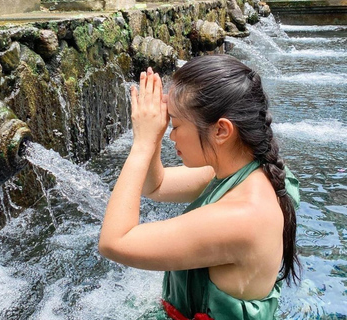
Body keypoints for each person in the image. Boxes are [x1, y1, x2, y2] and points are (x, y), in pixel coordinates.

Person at [98, 54, 300, 320]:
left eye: (177, 125)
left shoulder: (242, 217)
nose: (171, 135)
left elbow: (113, 242)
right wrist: (154, 138)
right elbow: (155, 186)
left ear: (221, 131)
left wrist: (141, 145)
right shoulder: (250, 170)